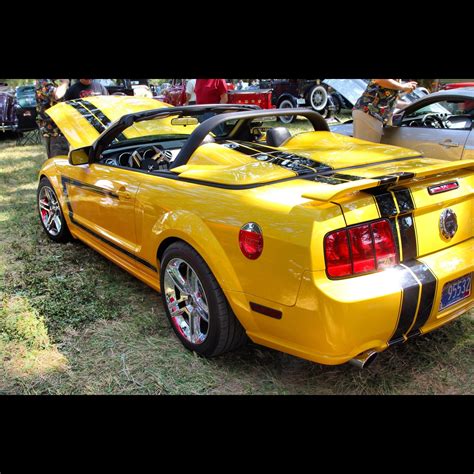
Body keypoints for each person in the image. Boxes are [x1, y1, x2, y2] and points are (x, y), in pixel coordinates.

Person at [352, 79, 418, 143]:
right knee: (367, 151)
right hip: (369, 113)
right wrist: (404, 87)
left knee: (367, 150)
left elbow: (387, 101)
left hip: (371, 114)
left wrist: (411, 105)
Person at [35, 79, 70, 158]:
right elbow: (57, 95)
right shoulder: (43, 81)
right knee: (60, 160)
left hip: (59, 130)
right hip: (54, 131)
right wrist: (65, 82)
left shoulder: (53, 82)